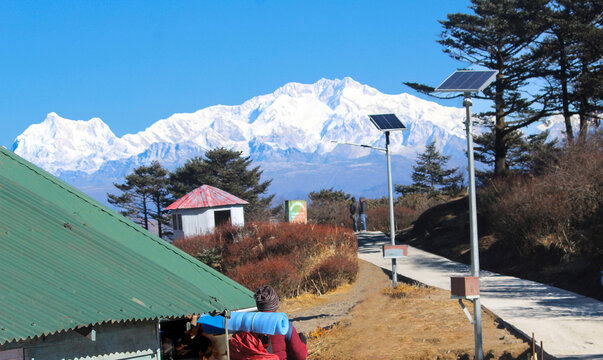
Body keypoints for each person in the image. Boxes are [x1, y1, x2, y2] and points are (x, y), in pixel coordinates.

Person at [253, 285, 308, 360]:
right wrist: (302, 343)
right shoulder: (284, 325)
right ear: (275, 304)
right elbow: (301, 356)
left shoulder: (247, 324)